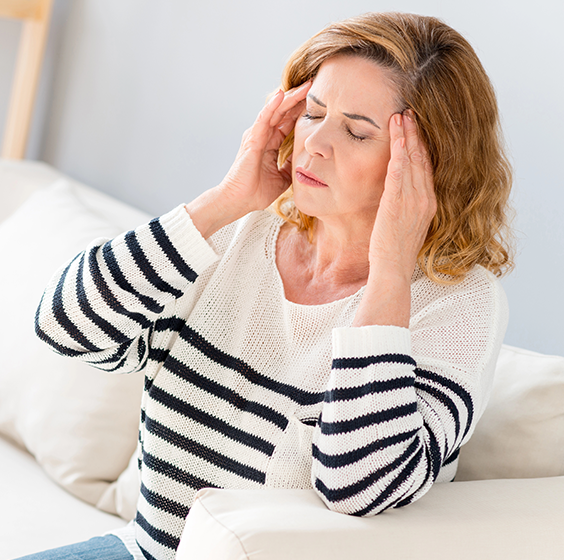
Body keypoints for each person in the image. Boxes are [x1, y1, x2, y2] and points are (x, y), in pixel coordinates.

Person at [29, 11, 512, 560]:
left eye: (357, 131)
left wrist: (390, 272)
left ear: (431, 164)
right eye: (312, 113)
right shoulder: (239, 232)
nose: (316, 144)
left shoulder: (458, 302)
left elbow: (361, 487)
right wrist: (225, 200)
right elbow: (65, 328)